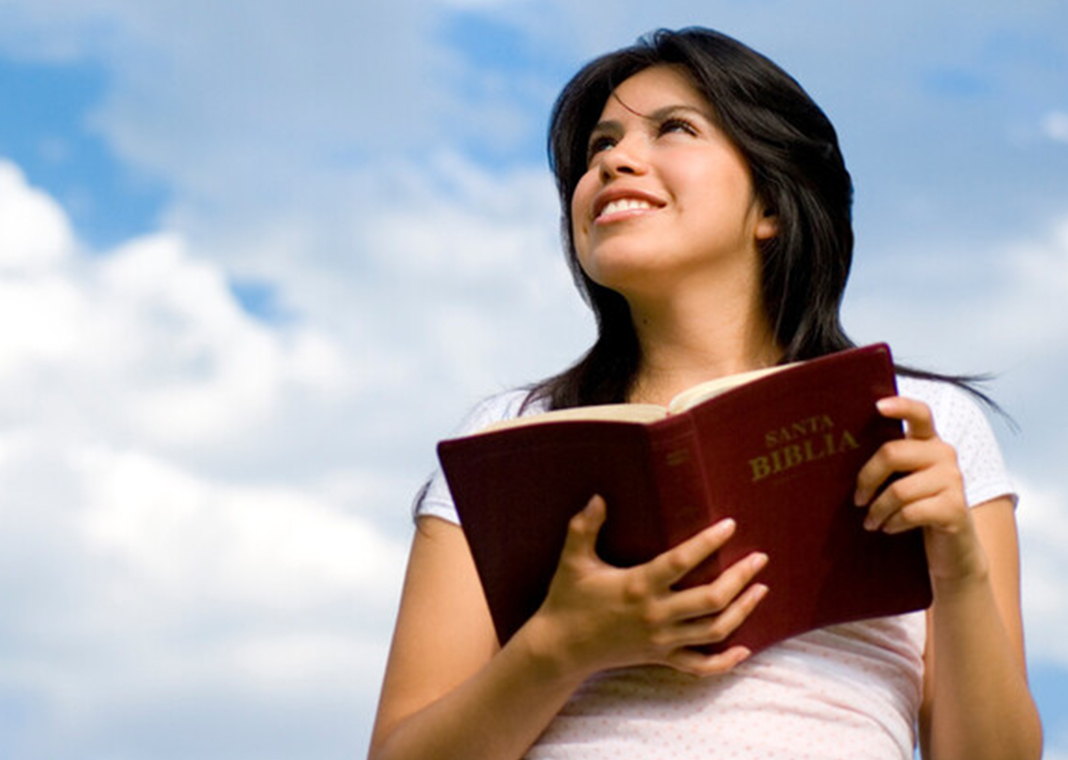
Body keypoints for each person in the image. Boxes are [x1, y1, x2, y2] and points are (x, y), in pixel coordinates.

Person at [368, 27, 1042, 760]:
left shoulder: (919, 425)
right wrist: (559, 649)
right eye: (599, 145)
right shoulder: (502, 437)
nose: (614, 160)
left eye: (675, 129)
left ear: (771, 207)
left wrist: (958, 564)